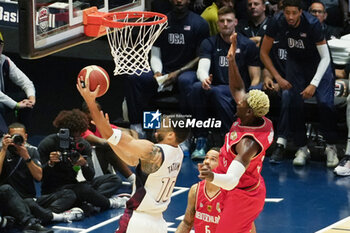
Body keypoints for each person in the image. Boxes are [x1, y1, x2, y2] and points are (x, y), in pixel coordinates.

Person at [76, 78, 191, 233]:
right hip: (158, 222)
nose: (157, 128)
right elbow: (130, 158)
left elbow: (110, 134)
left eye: (163, 126)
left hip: (138, 222)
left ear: (171, 135)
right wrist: (109, 136)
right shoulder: (177, 153)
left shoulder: (152, 150)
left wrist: (90, 102)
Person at [198, 32, 273, 233]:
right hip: (243, 185)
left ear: (249, 111)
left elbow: (231, 181)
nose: (237, 100)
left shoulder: (248, 143)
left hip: (242, 194)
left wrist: (211, 176)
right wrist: (231, 61)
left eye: (242, 102)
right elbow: (238, 87)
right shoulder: (258, 118)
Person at [260, 0, 339, 167]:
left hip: (319, 65)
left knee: (326, 104)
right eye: (287, 12)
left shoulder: (312, 24)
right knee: (295, 104)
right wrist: (278, 78)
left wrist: (314, 84)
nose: (290, 17)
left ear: (301, 12)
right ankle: (302, 148)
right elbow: (263, 53)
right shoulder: (276, 21)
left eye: (294, 13)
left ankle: (331, 147)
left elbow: (325, 58)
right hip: (296, 64)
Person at [123, 0, 209, 138]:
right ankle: (139, 127)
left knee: (185, 81)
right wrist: (157, 72)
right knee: (134, 78)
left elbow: (201, 56)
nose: (179, 0)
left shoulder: (200, 24)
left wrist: (179, 72)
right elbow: (155, 52)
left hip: (187, 72)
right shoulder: (161, 22)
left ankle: (188, 133)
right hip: (164, 71)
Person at [191, 6, 261, 159]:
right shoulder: (209, 43)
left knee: (217, 93)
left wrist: (250, 94)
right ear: (217, 23)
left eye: (229, 21)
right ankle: (201, 140)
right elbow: (202, 67)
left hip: (239, 90)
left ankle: (230, 139)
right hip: (217, 87)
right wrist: (204, 78)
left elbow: (256, 75)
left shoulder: (247, 45)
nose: (225, 24)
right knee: (197, 88)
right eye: (221, 21)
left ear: (235, 22)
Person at [38, 109, 128, 217]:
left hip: (75, 185)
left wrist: (84, 164)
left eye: (79, 135)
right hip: (55, 190)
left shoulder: (83, 145)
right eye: (74, 136)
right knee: (83, 190)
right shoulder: (48, 144)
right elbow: (39, 177)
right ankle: (108, 203)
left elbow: (90, 176)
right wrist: (50, 164)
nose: (76, 139)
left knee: (114, 179)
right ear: (65, 131)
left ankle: (88, 202)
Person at [0, 122, 84, 225]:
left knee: (68, 194)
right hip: (12, 203)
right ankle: (53, 217)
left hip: (31, 199)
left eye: (20, 137)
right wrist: (4, 149)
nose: (17, 140)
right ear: (7, 137)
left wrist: (26, 157)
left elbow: (38, 177)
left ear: (26, 137)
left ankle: (40, 216)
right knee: (28, 203)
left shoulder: (31, 151)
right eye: (13, 137)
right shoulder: (1, 152)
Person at [81, 101, 136, 185]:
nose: (94, 114)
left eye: (97, 111)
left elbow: (131, 131)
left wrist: (135, 144)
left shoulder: (100, 125)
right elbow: (103, 143)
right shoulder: (82, 129)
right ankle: (133, 179)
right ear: (84, 114)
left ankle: (134, 178)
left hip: (102, 167)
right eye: (90, 112)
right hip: (87, 170)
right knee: (107, 148)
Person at [175, 147, 225, 233]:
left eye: (213, 159)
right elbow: (187, 223)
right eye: (206, 158)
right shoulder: (195, 190)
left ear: (223, 165)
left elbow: (247, 227)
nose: (206, 161)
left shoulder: (231, 193)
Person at [0, 31, 36, 133]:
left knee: (25, 99)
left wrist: (31, 99)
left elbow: (26, 82)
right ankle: (3, 137)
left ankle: (23, 135)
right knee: (3, 134)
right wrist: (16, 105)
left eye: (0, 45)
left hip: (2, 102)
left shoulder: (4, 61)